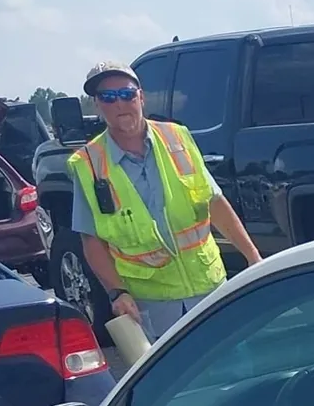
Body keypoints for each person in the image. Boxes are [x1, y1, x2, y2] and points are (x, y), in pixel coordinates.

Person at [67, 60, 261, 342]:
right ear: (97, 105)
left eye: (127, 94)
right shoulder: (88, 164)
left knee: (234, 363)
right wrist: (117, 292)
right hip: (152, 305)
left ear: (141, 97)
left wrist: (253, 257)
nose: (119, 103)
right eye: (108, 97)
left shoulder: (177, 138)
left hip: (210, 289)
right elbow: (91, 239)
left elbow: (214, 202)